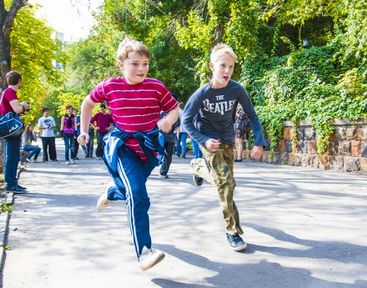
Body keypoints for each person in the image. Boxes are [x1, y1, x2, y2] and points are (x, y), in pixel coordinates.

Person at [77, 37, 179, 271]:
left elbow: (174, 108)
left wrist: (167, 120)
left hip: (150, 148)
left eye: (145, 64)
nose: (141, 69)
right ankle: (144, 251)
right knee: (138, 196)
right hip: (123, 148)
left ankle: (113, 193)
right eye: (135, 63)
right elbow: (87, 104)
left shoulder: (156, 86)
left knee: (130, 191)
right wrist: (83, 130)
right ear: (121, 64)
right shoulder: (110, 86)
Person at [183, 43, 266, 252]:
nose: (227, 71)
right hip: (210, 142)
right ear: (212, 66)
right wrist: (203, 140)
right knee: (226, 183)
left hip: (227, 139)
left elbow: (252, 115)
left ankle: (198, 167)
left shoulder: (237, 89)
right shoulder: (202, 94)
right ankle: (233, 231)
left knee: (225, 183)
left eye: (230, 67)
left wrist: (259, 141)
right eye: (222, 66)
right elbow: (186, 121)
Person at [0, 71, 30, 193]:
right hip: (10, 128)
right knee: (12, 156)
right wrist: (23, 106)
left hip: (8, 127)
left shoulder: (5, 92)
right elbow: (16, 109)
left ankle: (12, 182)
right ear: (19, 81)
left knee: (12, 155)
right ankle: (11, 184)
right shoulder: (10, 92)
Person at [159, 111, 179, 178]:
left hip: (161, 136)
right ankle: (163, 173)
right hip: (170, 137)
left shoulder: (161, 113)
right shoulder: (175, 114)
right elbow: (177, 127)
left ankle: (162, 171)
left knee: (158, 153)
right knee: (168, 155)